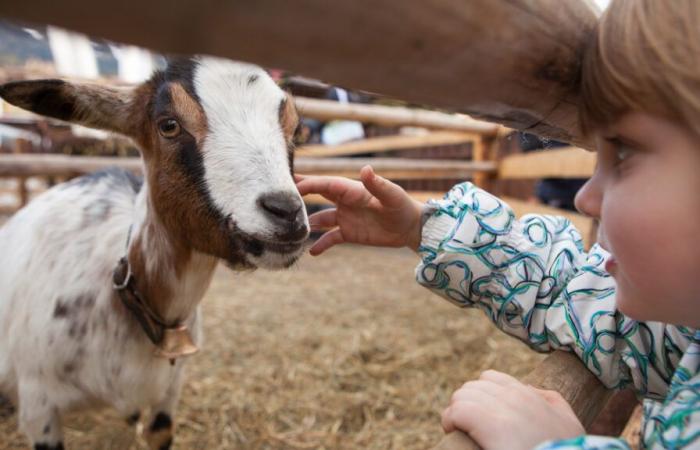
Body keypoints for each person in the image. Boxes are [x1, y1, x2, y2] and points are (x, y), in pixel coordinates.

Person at [295, 1, 700, 448]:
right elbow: (572, 298)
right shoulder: (681, 325)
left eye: (622, 153)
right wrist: (423, 228)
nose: (585, 198)